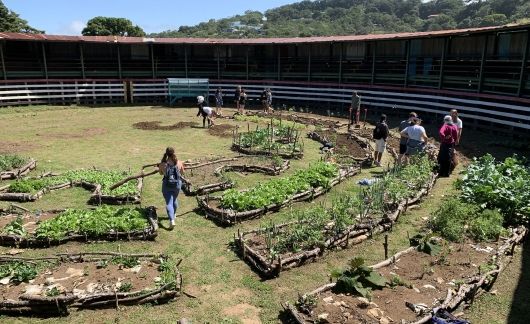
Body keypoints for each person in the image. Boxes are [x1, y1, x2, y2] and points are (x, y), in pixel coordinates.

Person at [159, 147, 184, 229]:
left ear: (166, 153)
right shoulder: (179, 162)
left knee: (169, 202)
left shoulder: (163, 164)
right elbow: (182, 173)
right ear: (173, 152)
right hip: (177, 185)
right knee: (174, 199)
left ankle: (172, 220)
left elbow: (160, 173)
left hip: (167, 185)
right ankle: (173, 214)